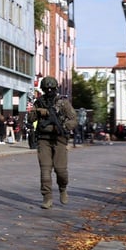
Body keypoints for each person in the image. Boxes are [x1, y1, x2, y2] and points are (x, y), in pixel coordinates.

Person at [27, 77, 77, 209]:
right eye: (46, 88)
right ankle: (47, 197)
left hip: (59, 139)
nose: (49, 90)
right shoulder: (39, 102)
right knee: (45, 170)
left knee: (61, 170)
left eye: (51, 88)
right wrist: (37, 111)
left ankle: (62, 188)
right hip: (43, 139)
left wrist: (65, 127)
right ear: (43, 89)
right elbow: (30, 118)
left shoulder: (63, 103)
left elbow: (73, 119)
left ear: (55, 88)